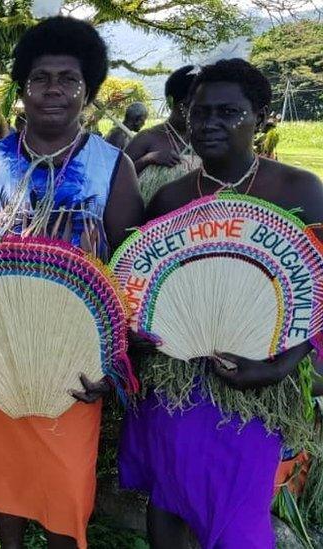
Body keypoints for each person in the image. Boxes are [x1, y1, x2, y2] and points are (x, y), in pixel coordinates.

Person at [0, 17, 143, 549]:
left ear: (88, 91)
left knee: (66, 486)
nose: (54, 90)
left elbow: (132, 274)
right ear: (22, 88)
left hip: (73, 361)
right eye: (40, 78)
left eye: (68, 79)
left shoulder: (110, 167)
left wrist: (116, 362)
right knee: (6, 482)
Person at [119, 58, 323, 549]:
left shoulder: (301, 191)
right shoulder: (169, 200)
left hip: (256, 385)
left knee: (238, 509)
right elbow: (142, 292)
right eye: (199, 112)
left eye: (228, 112)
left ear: (261, 115)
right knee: (168, 494)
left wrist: (280, 367)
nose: (209, 124)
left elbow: (317, 293)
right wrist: (146, 340)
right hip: (177, 383)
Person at [124, 66, 200, 202]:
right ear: (171, 102)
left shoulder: (206, 139)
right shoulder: (147, 138)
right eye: (188, 105)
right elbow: (116, 180)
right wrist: (148, 159)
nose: (196, 111)